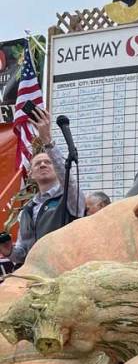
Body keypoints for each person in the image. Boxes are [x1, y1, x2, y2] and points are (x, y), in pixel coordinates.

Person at [1, 108, 85, 265]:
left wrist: (47, 141)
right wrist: (9, 251)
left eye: (48, 162)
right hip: (36, 277)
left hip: (64, 272)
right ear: (31, 174)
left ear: (56, 167)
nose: (43, 165)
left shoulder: (69, 198)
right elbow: (22, 253)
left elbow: (68, 180)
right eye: (37, 163)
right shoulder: (26, 210)